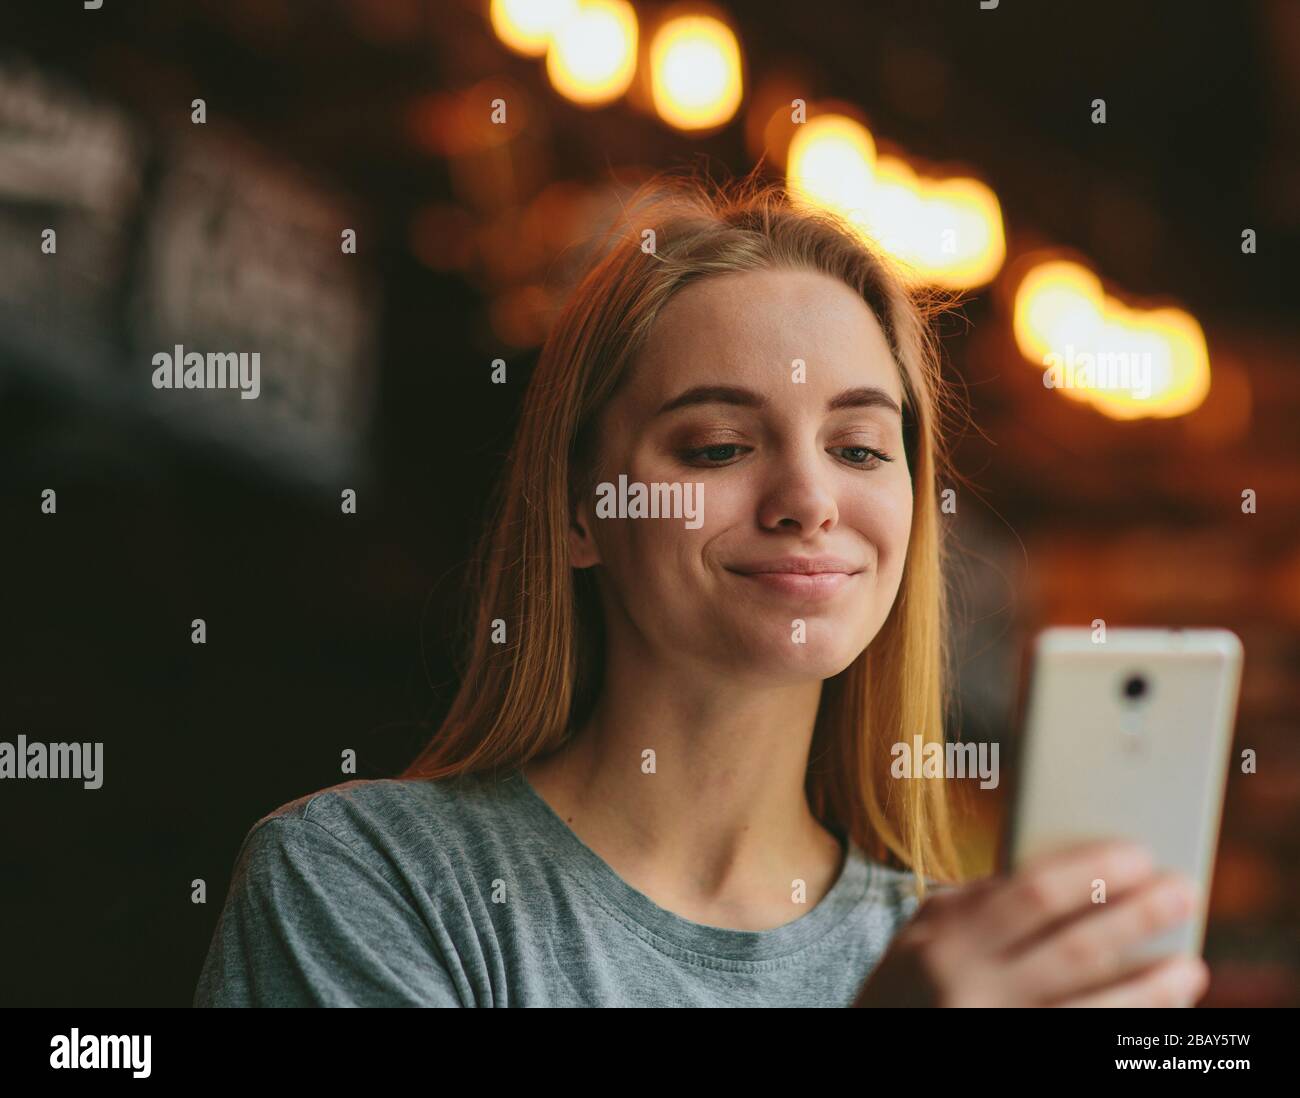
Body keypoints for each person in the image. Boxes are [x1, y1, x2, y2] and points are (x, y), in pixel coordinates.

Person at [193, 170, 1207, 1007]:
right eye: (719, 444)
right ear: (581, 512)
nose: (809, 499)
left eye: (858, 447)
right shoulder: (368, 880)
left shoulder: (976, 964)